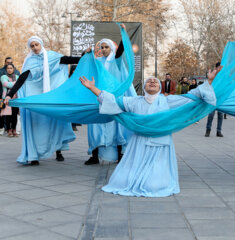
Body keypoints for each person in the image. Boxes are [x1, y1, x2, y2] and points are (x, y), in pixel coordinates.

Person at [79, 67, 218, 197]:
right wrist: (93, 88)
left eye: (155, 82)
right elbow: (112, 101)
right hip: (139, 142)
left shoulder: (168, 101)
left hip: (161, 143)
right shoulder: (134, 102)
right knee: (123, 181)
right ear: (144, 87)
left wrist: (210, 80)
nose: (152, 82)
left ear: (159, 87)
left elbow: (192, 97)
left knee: (155, 185)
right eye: (149, 81)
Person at [4, 36, 81, 165]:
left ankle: (58, 151)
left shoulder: (52, 56)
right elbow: (22, 78)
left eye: (36, 45)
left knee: (55, 120)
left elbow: (68, 59)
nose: (35, 48)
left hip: (50, 95)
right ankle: (34, 155)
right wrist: (9, 95)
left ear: (41, 44)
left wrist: (86, 55)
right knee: (36, 125)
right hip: (36, 98)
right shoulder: (29, 61)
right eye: (32, 46)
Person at [85, 36, 136, 165]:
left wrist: (123, 34)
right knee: (95, 127)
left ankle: (120, 155)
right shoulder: (97, 62)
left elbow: (120, 52)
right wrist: (85, 53)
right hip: (99, 98)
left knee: (117, 126)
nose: (103, 50)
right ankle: (95, 155)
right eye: (101, 47)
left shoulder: (116, 61)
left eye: (106, 47)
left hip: (115, 99)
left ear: (111, 48)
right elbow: (86, 63)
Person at [205, 62, 224, 137]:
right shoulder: (213, 75)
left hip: (220, 98)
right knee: (211, 115)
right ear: (216, 68)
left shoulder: (223, 76)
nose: (221, 69)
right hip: (212, 97)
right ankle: (208, 130)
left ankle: (218, 131)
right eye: (219, 67)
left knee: (220, 115)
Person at [1, 64, 19, 137]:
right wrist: (16, 84)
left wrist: (12, 84)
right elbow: (5, 84)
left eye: (11, 68)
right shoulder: (3, 77)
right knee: (8, 115)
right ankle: (9, 130)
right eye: (8, 68)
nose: (9, 69)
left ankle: (14, 129)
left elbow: (19, 85)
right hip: (6, 98)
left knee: (14, 115)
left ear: (13, 69)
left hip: (15, 98)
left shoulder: (17, 77)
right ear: (6, 70)